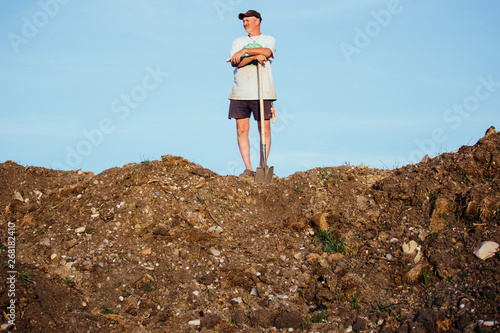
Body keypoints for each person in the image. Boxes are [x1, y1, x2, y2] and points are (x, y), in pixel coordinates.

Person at [228, 10, 277, 176]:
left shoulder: (268, 39)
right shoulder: (238, 41)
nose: (245, 23)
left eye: (248, 20)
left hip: (263, 91)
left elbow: (268, 52)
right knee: (241, 129)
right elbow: (235, 62)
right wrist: (254, 56)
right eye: (243, 21)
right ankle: (248, 168)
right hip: (240, 91)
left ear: (257, 21)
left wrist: (245, 52)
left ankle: (262, 166)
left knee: (264, 129)